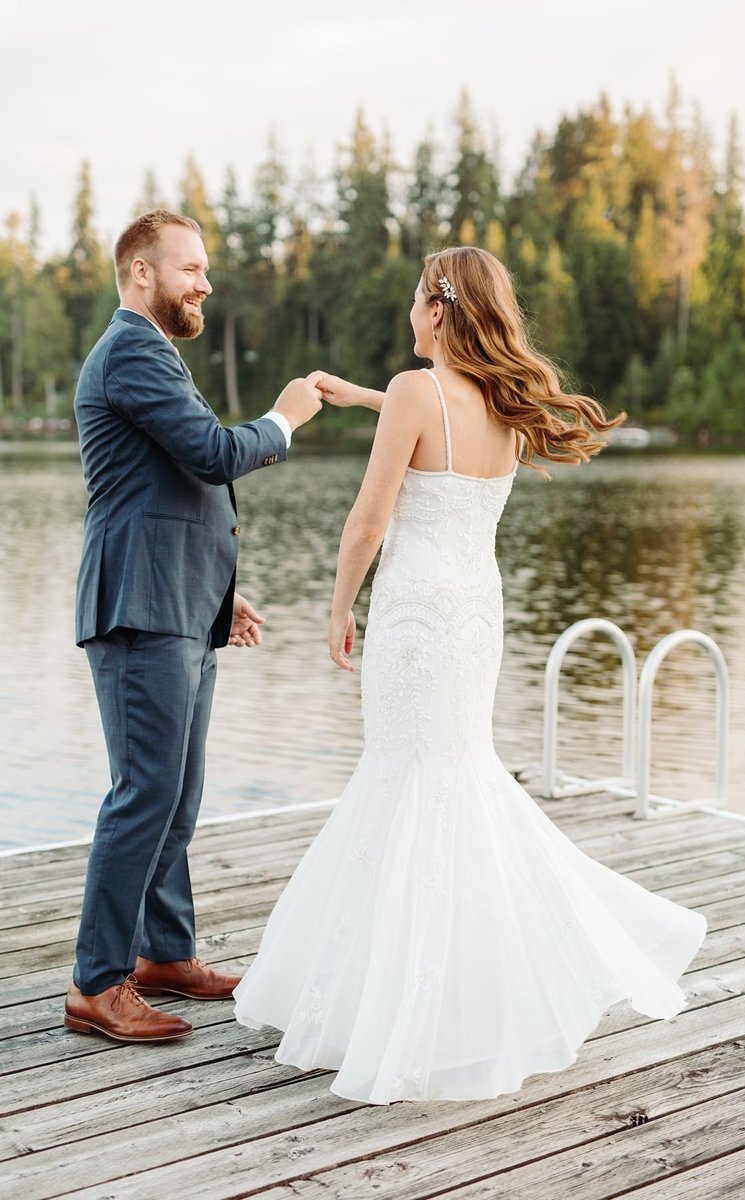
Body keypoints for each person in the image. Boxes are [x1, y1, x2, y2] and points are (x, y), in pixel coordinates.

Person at [233, 246, 707, 1104]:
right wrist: (362, 395)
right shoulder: (504, 402)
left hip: (415, 615)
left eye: (418, 300)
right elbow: (435, 422)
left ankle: (399, 1009)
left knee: (404, 780)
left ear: (441, 311)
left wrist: (340, 608)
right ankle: (461, 997)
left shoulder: (419, 393)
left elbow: (367, 519)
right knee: (454, 777)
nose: (410, 315)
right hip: (477, 616)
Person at [65, 209, 323, 1044]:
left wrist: (220, 593)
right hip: (140, 610)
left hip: (178, 603)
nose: (205, 283)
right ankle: (96, 982)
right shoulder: (134, 348)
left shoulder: (153, 354)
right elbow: (212, 454)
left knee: (176, 795)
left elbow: (170, 491)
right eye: (191, 268)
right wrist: (283, 419)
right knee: (142, 794)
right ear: (141, 271)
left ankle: (163, 954)